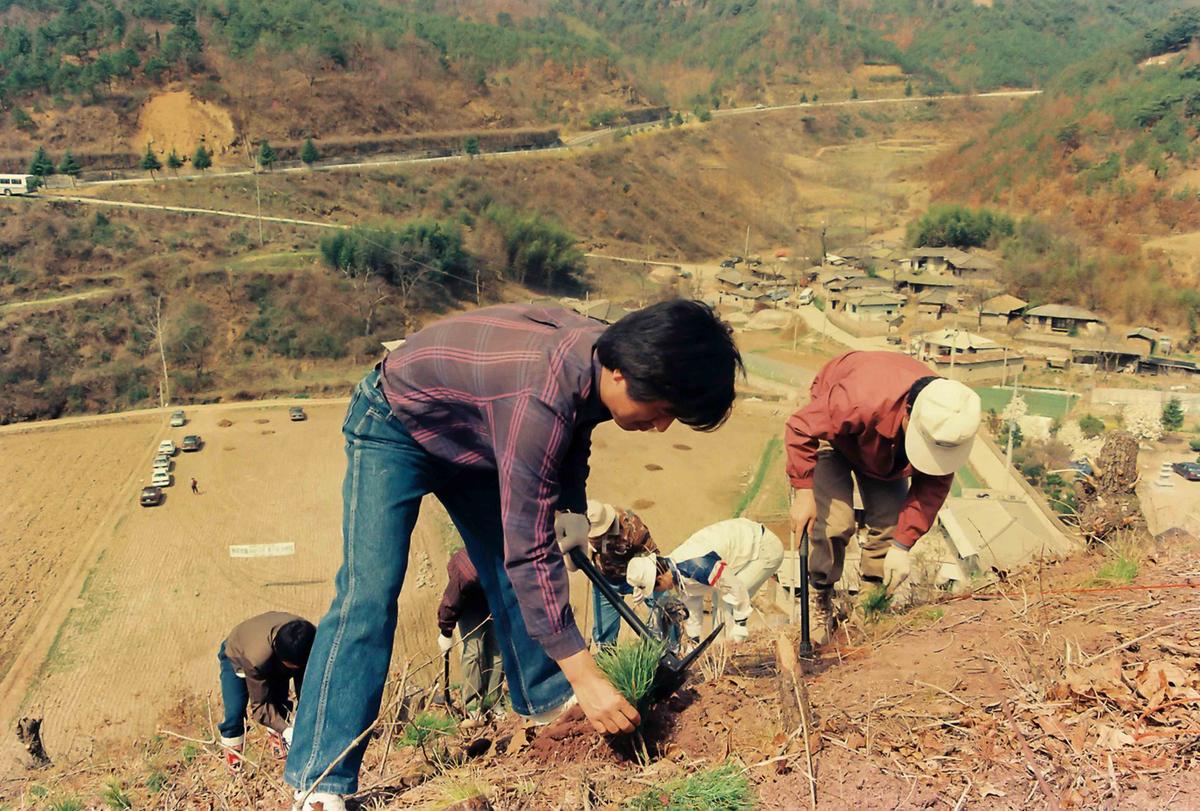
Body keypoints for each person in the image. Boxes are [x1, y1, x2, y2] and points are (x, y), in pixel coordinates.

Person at [285, 301, 742, 810]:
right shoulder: (541, 392)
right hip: (397, 424)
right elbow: (530, 549)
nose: (662, 427)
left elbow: (575, 432)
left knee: (505, 572)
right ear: (622, 373)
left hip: (477, 434)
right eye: (662, 410)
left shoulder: (608, 355)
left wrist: (571, 512)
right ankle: (321, 779)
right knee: (368, 594)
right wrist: (586, 675)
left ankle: (546, 701)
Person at [785, 351, 981, 644]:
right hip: (834, 435)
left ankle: (869, 602)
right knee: (834, 524)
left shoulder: (949, 424)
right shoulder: (859, 398)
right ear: (908, 413)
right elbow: (800, 427)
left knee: (892, 525)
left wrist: (902, 547)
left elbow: (930, 491)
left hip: (883, 454)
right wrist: (803, 491)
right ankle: (820, 597)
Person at [626, 517, 784, 642]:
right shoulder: (676, 572)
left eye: (655, 588)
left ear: (659, 578)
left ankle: (731, 648)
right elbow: (692, 604)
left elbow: (734, 586)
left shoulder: (695, 566)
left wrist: (740, 623)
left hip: (763, 548)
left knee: (728, 601)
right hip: (744, 548)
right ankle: (723, 647)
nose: (658, 591)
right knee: (721, 600)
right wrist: (693, 640)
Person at [217, 612, 315, 771]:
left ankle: (282, 760)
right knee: (235, 712)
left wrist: (303, 716)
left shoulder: (309, 637)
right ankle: (235, 768)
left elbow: (308, 689)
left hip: (278, 652)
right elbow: (260, 707)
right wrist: (287, 730)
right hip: (237, 654)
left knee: (280, 704)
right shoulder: (256, 659)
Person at [436, 548, 504, 721]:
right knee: (475, 651)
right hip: (469, 601)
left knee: (499, 649)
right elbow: (451, 602)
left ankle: (494, 702)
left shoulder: (503, 561)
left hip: (494, 595)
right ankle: (473, 706)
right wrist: (445, 632)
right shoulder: (466, 573)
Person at [581, 500, 659, 647]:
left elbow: (653, 557)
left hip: (634, 576)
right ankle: (606, 655)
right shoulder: (584, 521)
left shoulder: (632, 528)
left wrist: (642, 584)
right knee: (604, 633)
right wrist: (585, 548)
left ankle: (666, 647)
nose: (595, 540)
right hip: (606, 580)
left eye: (598, 537)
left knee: (663, 605)